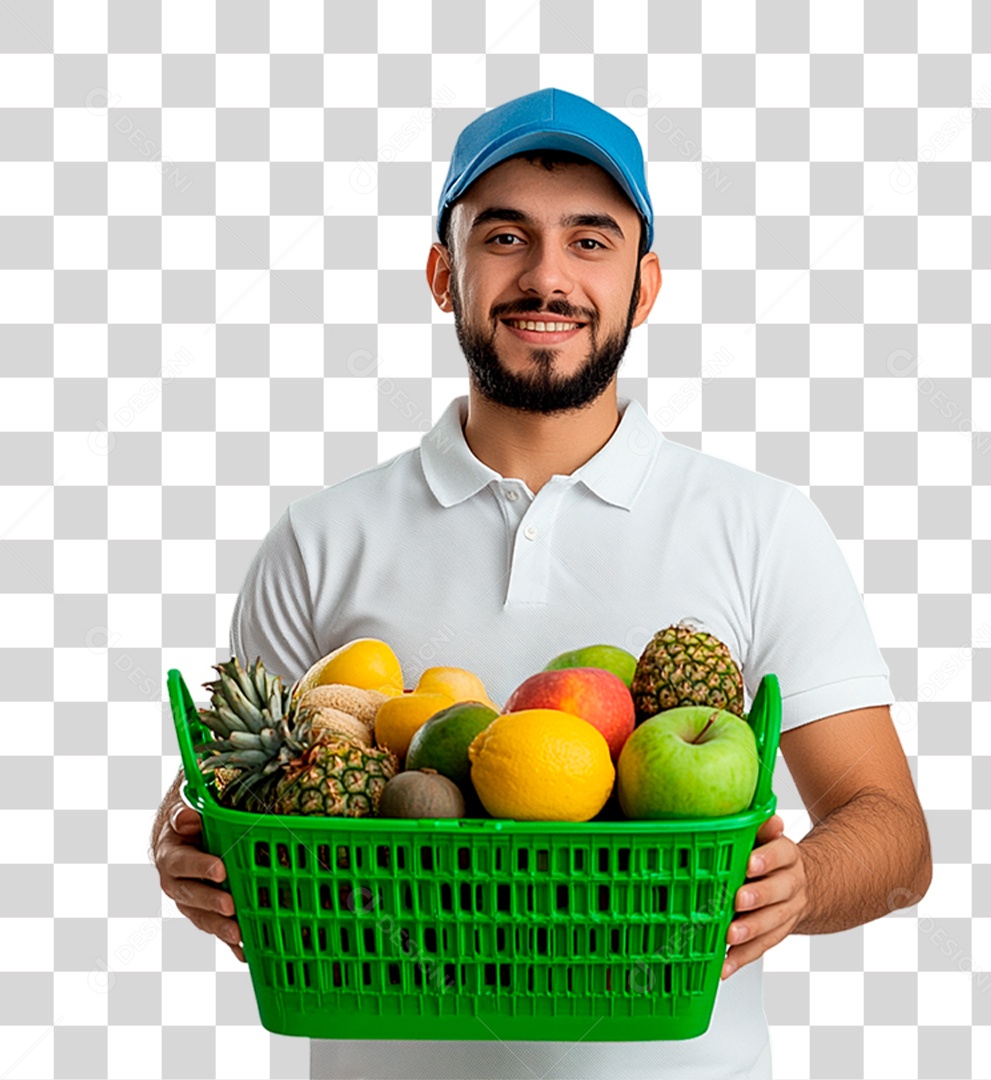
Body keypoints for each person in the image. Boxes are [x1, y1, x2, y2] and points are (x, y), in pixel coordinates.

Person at [152, 87, 933, 1079]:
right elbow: (225, 781)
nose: (548, 275)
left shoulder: (763, 527)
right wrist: (178, 847)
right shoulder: (317, 540)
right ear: (445, 273)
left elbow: (896, 838)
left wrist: (801, 885)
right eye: (506, 237)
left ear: (645, 286)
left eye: (591, 241)